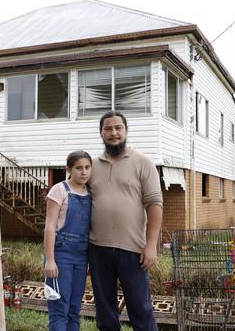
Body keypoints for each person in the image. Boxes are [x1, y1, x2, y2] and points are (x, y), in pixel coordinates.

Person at [88, 111, 163, 331]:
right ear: (101, 133)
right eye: (108, 128)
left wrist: (151, 246)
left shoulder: (143, 163)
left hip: (133, 250)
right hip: (98, 249)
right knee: (105, 310)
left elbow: (155, 205)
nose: (114, 133)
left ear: (126, 130)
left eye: (118, 128)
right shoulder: (90, 166)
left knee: (140, 308)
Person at [43, 150, 93, 331]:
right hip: (61, 255)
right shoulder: (59, 190)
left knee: (74, 309)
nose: (84, 172)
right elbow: (49, 227)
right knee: (59, 308)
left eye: (87, 167)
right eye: (79, 168)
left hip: (81, 256)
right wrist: (50, 260)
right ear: (69, 169)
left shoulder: (90, 192)